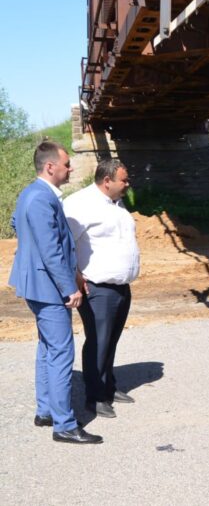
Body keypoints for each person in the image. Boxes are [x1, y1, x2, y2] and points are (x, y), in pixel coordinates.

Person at [8, 141, 102, 444]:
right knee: (61, 351)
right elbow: (51, 251)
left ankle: (46, 410)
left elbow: (16, 223)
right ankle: (64, 424)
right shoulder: (40, 198)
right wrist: (69, 287)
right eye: (66, 164)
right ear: (51, 167)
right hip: (48, 287)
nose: (70, 168)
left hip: (36, 283)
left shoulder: (30, 194)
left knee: (47, 348)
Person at [64, 158, 140, 419]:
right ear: (107, 181)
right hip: (96, 288)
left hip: (120, 287)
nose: (128, 184)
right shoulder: (79, 204)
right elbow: (64, 244)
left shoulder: (116, 203)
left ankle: (108, 386)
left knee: (111, 340)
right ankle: (95, 397)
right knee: (98, 342)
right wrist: (73, 276)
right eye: (124, 180)